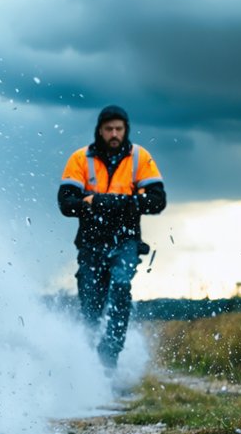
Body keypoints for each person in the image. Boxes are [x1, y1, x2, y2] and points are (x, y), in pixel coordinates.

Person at [57, 105, 165, 371]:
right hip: (91, 243)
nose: (114, 134)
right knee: (91, 304)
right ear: (100, 130)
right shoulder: (80, 159)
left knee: (120, 289)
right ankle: (86, 363)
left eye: (119, 128)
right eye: (109, 129)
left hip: (126, 241)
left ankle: (109, 361)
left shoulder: (140, 158)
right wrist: (93, 204)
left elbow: (158, 200)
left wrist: (105, 202)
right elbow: (65, 202)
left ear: (126, 129)